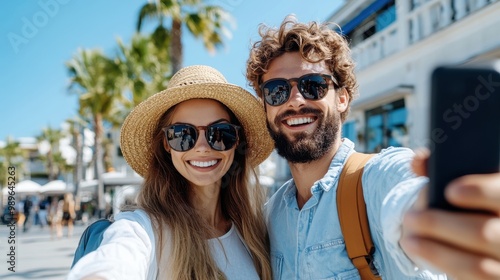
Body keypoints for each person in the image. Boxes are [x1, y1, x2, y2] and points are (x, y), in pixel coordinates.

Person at [246, 15, 500, 280]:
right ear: (266, 107)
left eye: (313, 85)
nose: (295, 100)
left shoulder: (378, 177)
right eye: (276, 91)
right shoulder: (269, 217)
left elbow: (405, 197)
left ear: (341, 98)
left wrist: (434, 216)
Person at [69, 65, 274, 280]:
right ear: (166, 144)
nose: (202, 147)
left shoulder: (253, 234)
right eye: (182, 134)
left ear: (237, 140)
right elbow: (114, 262)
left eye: (220, 133)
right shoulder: (145, 229)